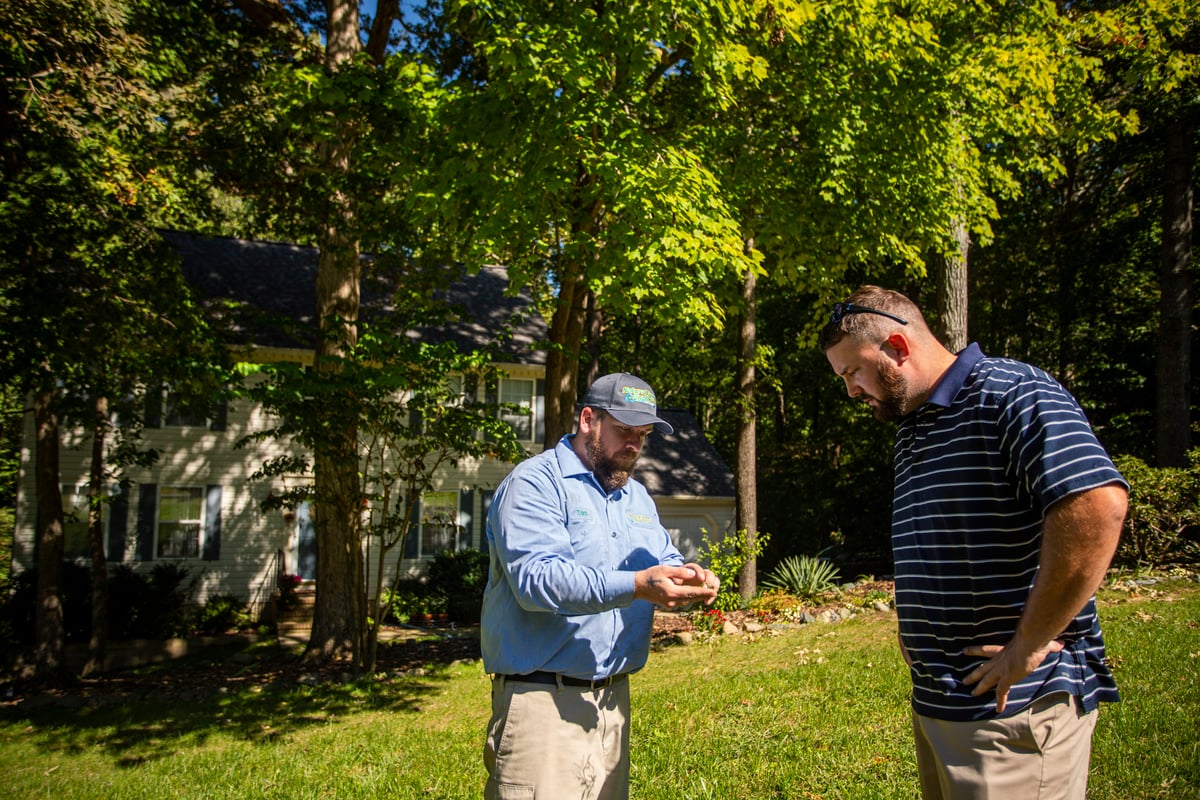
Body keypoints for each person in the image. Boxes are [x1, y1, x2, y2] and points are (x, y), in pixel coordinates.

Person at [819, 286, 1128, 800]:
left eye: (852, 372)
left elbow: (1096, 505)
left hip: (1012, 712)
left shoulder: (1011, 391)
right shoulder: (912, 427)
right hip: (942, 705)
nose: (850, 390)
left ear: (897, 346)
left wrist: (1026, 647)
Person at [480, 371, 719, 800]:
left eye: (642, 435)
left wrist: (691, 580)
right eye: (624, 430)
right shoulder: (534, 484)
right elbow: (538, 581)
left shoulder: (636, 497)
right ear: (588, 419)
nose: (633, 445)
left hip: (612, 704)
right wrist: (636, 585)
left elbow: (664, 565)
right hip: (542, 705)